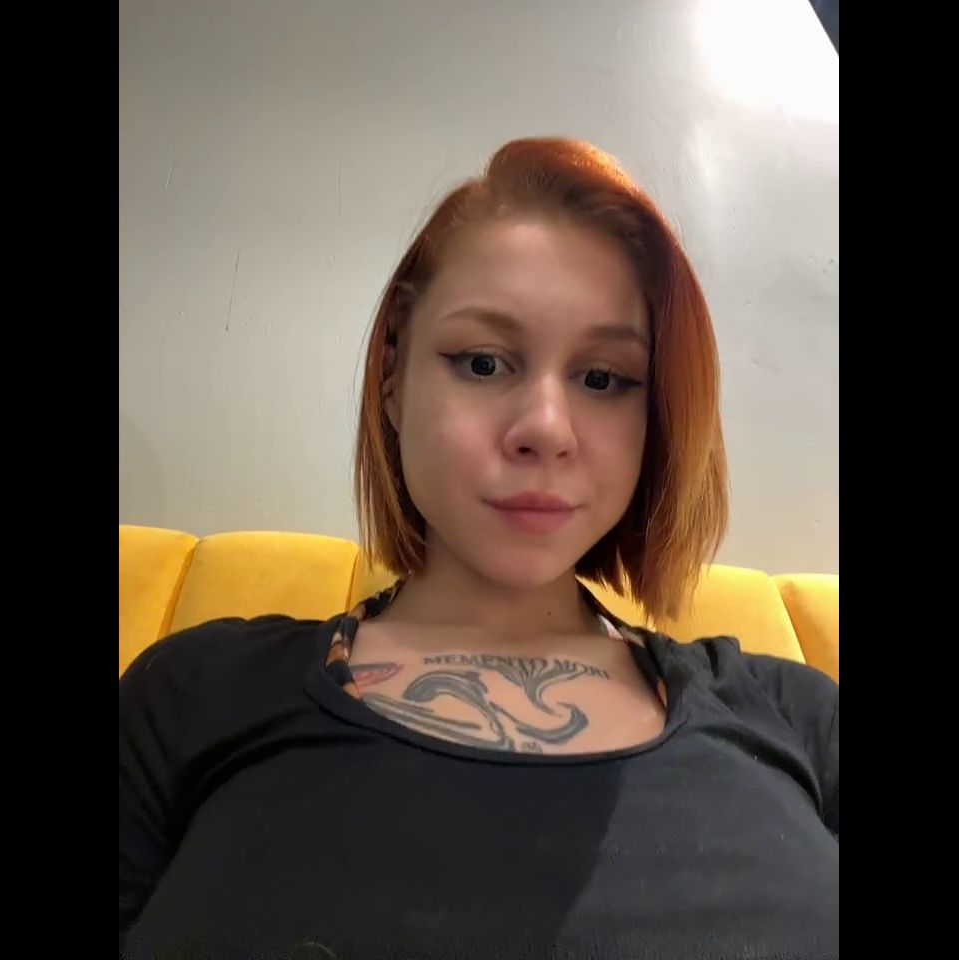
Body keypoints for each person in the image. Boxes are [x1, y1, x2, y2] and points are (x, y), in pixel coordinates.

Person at [119, 137, 838, 959]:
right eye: (485, 362)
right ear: (393, 379)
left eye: (603, 378)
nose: (546, 428)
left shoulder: (799, 717)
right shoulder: (191, 695)